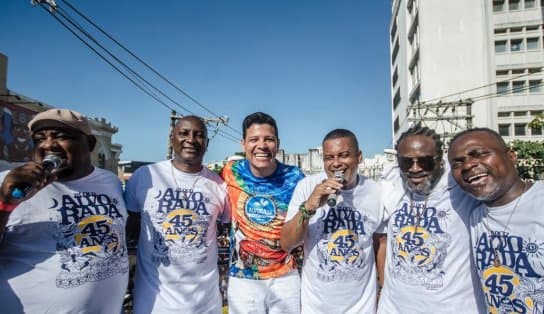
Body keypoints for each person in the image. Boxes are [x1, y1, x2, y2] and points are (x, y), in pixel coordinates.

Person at [0, 108, 129, 313]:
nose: (49, 144)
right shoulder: (10, 184)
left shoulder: (110, 181)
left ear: (90, 144)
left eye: (61, 137)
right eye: (40, 139)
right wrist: (4, 203)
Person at [125, 115, 230, 313]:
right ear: (171, 138)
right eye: (184, 133)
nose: (191, 139)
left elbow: (226, 228)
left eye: (198, 135)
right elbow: (131, 229)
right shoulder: (144, 177)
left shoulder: (219, 186)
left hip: (205, 305)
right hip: (153, 304)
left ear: (206, 144)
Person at [377, 124, 485, 313]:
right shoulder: (392, 188)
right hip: (394, 308)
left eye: (425, 162)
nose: (415, 169)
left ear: (440, 159)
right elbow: (382, 241)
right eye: (406, 162)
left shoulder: (463, 190)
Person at [280, 128, 383, 313]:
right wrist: (309, 207)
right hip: (316, 307)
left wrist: (382, 289)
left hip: (362, 307)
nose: (336, 164)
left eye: (344, 156)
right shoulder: (307, 187)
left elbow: (379, 245)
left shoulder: (376, 191)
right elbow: (287, 243)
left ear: (359, 157)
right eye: (329, 157)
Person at [448, 127, 544, 313]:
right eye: (458, 163)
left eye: (480, 154)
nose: (468, 165)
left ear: (511, 156)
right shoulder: (474, 216)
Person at [220, 112, 305, 314]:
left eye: (268, 139)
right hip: (243, 279)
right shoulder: (231, 172)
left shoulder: (295, 177)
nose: (262, 146)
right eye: (254, 140)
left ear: (277, 143)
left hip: (286, 277)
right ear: (243, 144)